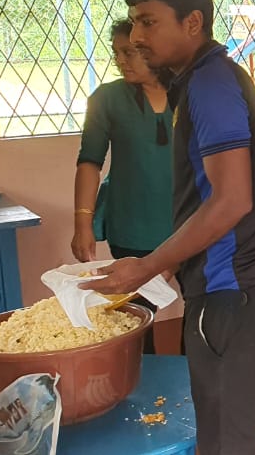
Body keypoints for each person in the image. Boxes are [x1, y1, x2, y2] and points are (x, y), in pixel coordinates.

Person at [84, 0, 255, 455]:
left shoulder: (209, 86)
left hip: (230, 295)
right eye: (134, 21)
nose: (138, 36)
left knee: (226, 438)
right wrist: (178, 259)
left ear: (192, 23)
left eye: (149, 22)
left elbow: (232, 199)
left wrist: (147, 265)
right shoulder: (212, 80)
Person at [72, 19, 173, 355]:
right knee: (135, 322)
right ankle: (145, 395)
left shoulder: (190, 95)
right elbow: (89, 162)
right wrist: (82, 224)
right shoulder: (108, 99)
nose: (121, 60)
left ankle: (196, 390)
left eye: (129, 52)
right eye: (116, 52)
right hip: (132, 229)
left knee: (206, 315)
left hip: (189, 228)